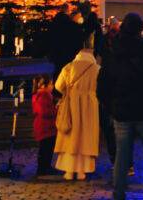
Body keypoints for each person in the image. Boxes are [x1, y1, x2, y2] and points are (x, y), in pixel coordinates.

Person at [97, 13, 143, 200]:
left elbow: (103, 83)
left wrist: (110, 107)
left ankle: (119, 193)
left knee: (122, 156)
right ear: (140, 30)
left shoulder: (113, 52)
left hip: (121, 111)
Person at [54, 34, 100, 180]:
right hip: (90, 106)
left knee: (70, 135)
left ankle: (68, 170)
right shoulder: (97, 69)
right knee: (86, 136)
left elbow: (58, 86)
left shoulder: (69, 67)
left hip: (71, 104)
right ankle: (82, 170)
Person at [32, 74, 63, 178]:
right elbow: (44, 111)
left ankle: (44, 167)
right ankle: (43, 168)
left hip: (42, 126)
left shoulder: (39, 94)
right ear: (45, 85)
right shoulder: (44, 95)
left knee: (45, 148)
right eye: (51, 84)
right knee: (46, 149)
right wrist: (56, 109)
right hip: (46, 127)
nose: (52, 86)